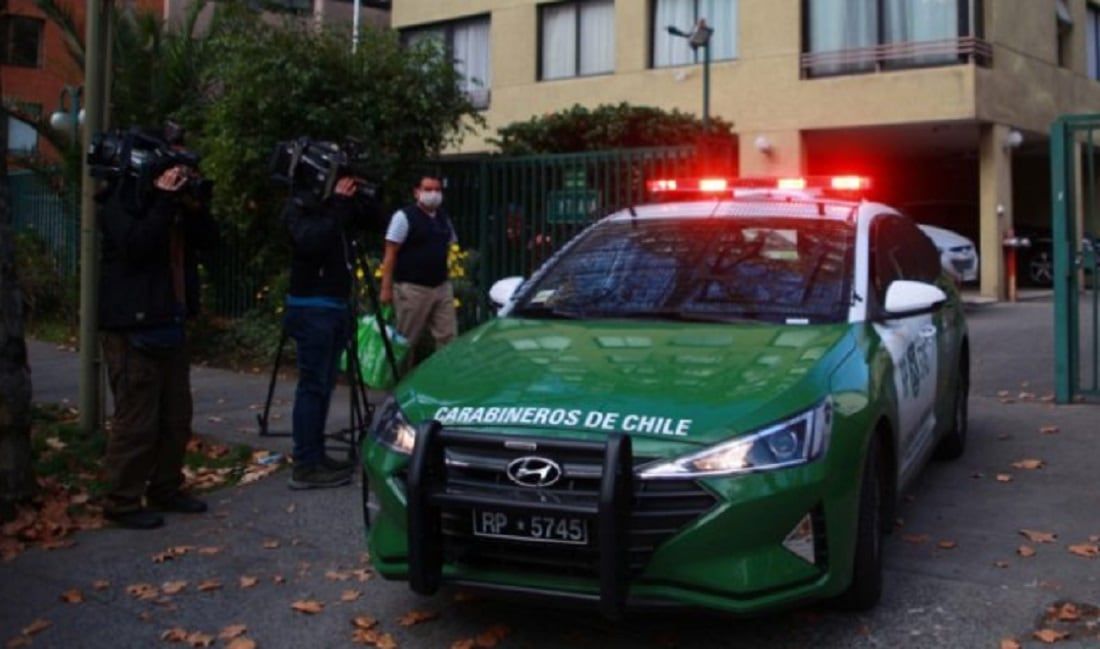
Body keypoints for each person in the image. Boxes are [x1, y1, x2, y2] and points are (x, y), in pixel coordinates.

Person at [98, 152, 216, 530]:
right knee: (137, 421)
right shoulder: (119, 202)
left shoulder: (172, 207)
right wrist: (163, 202)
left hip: (169, 322)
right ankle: (121, 499)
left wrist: (192, 206)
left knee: (175, 417)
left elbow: (211, 241)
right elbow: (136, 247)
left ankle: (166, 487)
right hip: (132, 328)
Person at [282, 175, 379, 489]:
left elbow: (376, 219)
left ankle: (315, 455)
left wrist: (355, 200)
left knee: (323, 386)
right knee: (312, 386)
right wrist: (337, 204)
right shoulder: (300, 208)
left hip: (333, 306)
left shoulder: (333, 210)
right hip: (312, 307)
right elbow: (311, 242)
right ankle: (305, 464)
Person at [380, 175, 458, 363]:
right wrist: (386, 288)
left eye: (437, 190)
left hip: (440, 286)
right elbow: (390, 252)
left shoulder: (443, 218)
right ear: (417, 193)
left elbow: (450, 244)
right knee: (405, 342)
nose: (433, 194)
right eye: (428, 189)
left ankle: (444, 381)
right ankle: (401, 383)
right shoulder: (404, 217)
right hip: (412, 288)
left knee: (449, 337)